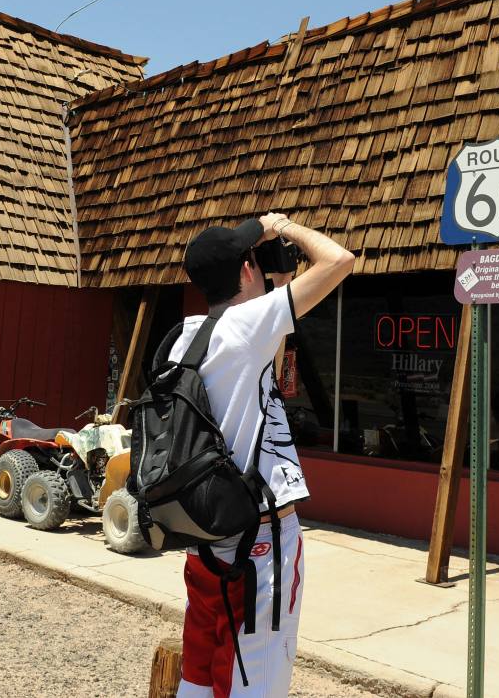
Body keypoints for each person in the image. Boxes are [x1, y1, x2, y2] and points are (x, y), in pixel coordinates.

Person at [172, 212, 354, 698]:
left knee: (201, 671)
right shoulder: (246, 325)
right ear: (246, 273)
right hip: (261, 541)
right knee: (258, 674)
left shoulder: (185, 338)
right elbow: (339, 260)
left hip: (207, 537)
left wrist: (277, 277)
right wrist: (284, 227)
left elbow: (266, 372)